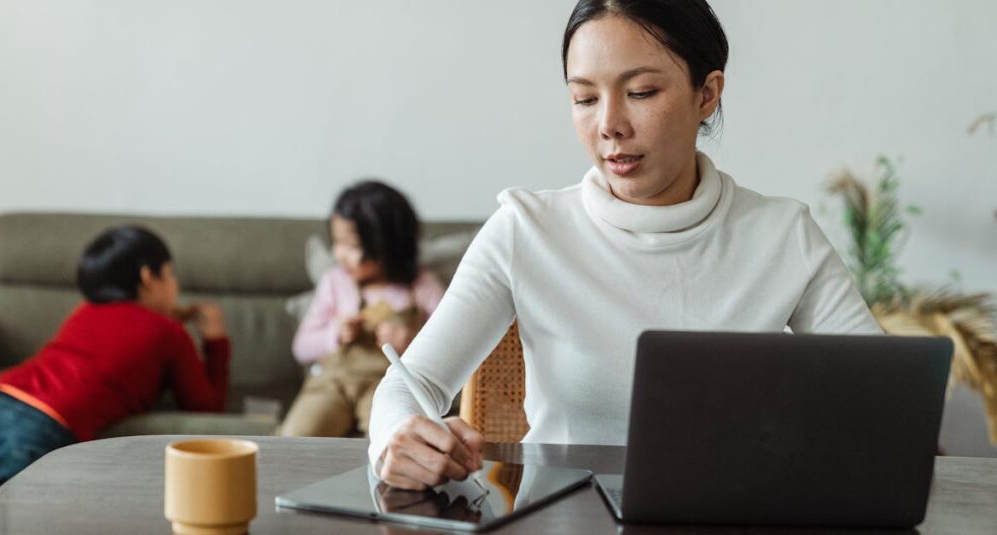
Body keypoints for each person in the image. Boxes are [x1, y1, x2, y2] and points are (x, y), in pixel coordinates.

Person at [368, 0, 883, 490]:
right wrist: (399, 437)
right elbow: (406, 385)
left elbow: (884, 396)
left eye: (640, 92)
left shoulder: (781, 235)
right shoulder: (525, 230)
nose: (610, 125)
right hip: (561, 519)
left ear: (706, 94)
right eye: (585, 98)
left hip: (732, 514)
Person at [0, 225, 230, 505]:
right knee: (12, 517)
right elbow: (205, 407)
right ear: (147, 277)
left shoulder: (85, 310)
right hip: (41, 421)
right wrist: (216, 341)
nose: (175, 285)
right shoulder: (169, 332)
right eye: (169, 274)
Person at [281, 181, 445, 437]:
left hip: (390, 384)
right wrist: (334, 334)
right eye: (337, 243)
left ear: (388, 246)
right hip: (332, 383)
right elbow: (300, 347)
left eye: (353, 246)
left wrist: (411, 344)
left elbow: (449, 348)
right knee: (298, 434)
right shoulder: (335, 282)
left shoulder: (423, 287)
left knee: (393, 439)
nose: (340, 254)